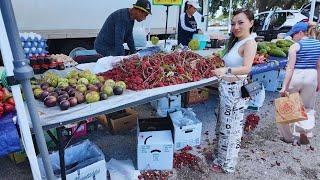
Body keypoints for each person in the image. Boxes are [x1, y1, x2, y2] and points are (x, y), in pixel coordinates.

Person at [211, 8, 257, 173]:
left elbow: (246, 68)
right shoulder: (236, 41)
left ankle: (227, 165)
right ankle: (220, 157)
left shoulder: (250, 42)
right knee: (223, 126)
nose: (236, 27)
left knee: (231, 131)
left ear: (251, 23)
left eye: (240, 22)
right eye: (233, 23)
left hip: (235, 92)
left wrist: (226, 71)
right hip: (226, 89)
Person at [278, 22, 320, 145]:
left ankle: (288, 137)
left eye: (294, 34)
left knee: (288, 106)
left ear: (301, 33)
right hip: (312, 76)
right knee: (308, 107)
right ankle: (304, 131)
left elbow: (290, 68)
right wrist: (318, 82)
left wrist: (284, 86)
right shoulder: (319, 45)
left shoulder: (296, 46)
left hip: (296, 75)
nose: (293, 37)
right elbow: (319, 65)